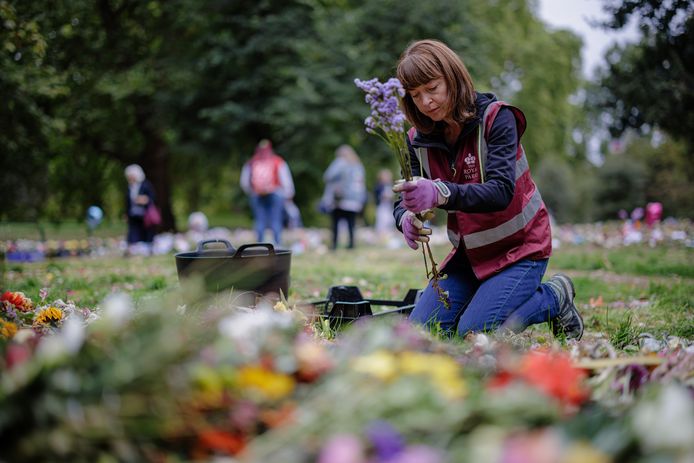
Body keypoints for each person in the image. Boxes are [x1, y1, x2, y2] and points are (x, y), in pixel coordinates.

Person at [392, 39, 583, 340]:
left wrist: (442, 192)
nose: (426, 102)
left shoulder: (498, 118)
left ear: (452, 77)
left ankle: (554, 297)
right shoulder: (417, 138)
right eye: (416, 95)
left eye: (432, 88)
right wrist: (404, 216)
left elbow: (501, 191)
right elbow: (407, 193)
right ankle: (483, 299)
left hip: (521, 250)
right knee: (421, 333)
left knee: (475, 332)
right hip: (470, 257)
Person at [240, 139, 295, 245]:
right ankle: (277, 245)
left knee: (259, 220)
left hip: (257, 194)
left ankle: (260, 245)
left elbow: (244, 182)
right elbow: (285, 179)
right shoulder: (277, 161)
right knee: (276, 219)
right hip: (275, 192)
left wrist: (251, 192)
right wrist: (289, 193)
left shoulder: (251, 162)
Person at [321, 144, 367, 250]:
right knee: (351, 224)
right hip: (354, 201)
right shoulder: (359, 166)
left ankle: (334, 245)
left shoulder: (340, 163)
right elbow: (361, 185)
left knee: (335, 223)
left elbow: (328, 176)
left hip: (340, 199)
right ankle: (351, 245)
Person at [124, 164, 156, 255]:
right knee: (133, 231)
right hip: (133, 213)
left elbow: (152, 198)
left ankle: (148, 249)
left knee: (146, 231)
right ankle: (133, 250)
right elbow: (127, 201)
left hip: (145, 213)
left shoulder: (146, 185)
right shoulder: (130, 187)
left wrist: (144, 199)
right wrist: (126, 213)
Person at [374, 168, 396, 235]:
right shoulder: (379, 186)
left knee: (390, 221)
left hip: (389, 206)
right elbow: (377, 195)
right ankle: (381, 235)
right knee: (382, 222)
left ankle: (388, 235)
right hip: (382, 206)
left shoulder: (391, 185)